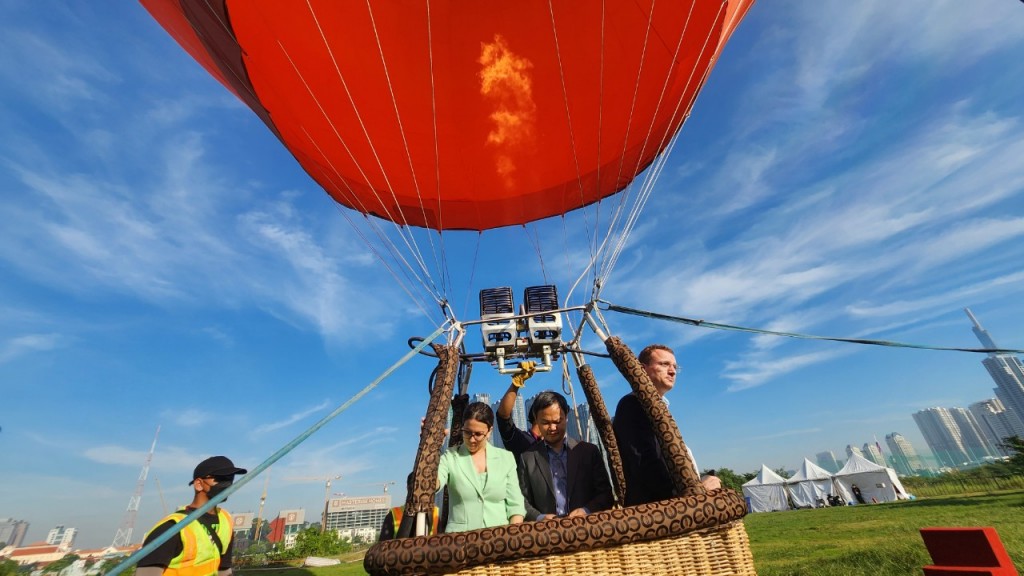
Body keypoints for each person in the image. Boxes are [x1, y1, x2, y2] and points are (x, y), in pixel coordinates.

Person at [612, 344, 720, 506]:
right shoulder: (633, 405)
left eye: (675, 367)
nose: (673, 371)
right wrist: (690, 495)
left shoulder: (657, 408)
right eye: (664, 364)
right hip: (660, 509)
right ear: (643, 369)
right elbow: (646, 463)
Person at [137, 456, 247, 576]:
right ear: (199, 484)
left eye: (230, 479)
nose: (227, 484)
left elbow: (224, 569)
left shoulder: (225, 520)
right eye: (220, 479)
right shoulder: (172, 528)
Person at [518, 391, 613, 520]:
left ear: (566, 416)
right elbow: (522, 502)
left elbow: (606, 495)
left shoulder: (588, 452)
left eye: (557, 421)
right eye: (545, 423)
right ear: (536, 420)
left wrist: (586, 511)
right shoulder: (528, 459)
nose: (552, 428)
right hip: (547, 533)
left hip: (587, 528)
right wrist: (541, 518)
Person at [437, 402, 526, 532]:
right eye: (467, 433)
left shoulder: (506, 458)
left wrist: (510, 538)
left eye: (478, 434)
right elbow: (433, 484)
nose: (472, 439)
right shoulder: (450, 456)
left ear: (489, 431)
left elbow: (516, 506)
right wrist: (432, 448)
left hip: (499, 540)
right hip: (460, 541)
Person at [495, 360, 542, 461]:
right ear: (537, 415)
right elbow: (503, 417)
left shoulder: (558, 446)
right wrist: (516, 383)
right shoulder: (521, 441)